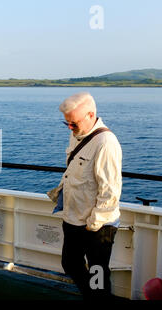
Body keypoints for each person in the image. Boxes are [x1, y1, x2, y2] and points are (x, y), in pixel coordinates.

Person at [48, 92, 122, 299]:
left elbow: (110, 190)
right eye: (67, 124)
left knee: (97, 272)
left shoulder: (106, 143)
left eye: (73, 123)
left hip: (96, 225)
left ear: (90, 115)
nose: (70, 128)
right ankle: (93, 297)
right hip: (73, 217)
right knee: (70, 263)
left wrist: (94, 224)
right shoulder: (76, 133)